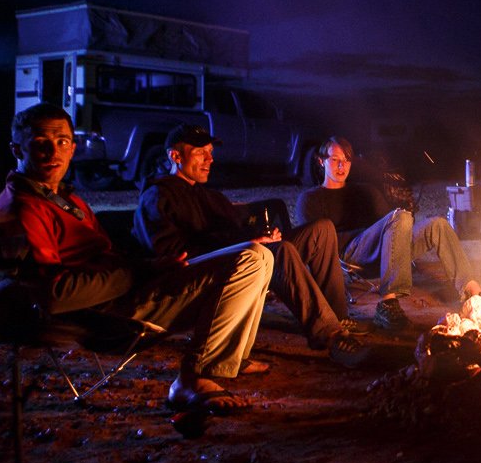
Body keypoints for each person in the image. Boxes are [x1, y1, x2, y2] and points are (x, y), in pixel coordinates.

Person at [0, 103, 273, 413]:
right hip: (106, 315)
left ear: (73, 148)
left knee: (261, 255)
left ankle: (232, 358)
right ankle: (194, 378)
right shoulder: (22, 209)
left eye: (63, 141)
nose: (53, 150)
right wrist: (138, 272)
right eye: (41, 141)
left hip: (125, 291)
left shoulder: (62, 198)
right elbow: (51, 297)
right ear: (17, 148)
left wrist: (148, 268)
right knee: (250, 260)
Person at [133, 124, 370, 367]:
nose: (209, 159)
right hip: (209, 269)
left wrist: (260, 234)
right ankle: (331, 336)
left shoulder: (207, 195)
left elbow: (236, 228)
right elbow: (173, 254)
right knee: (282, 252)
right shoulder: (159, 197)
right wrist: (244, 244)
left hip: (245, 253)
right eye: (200, 153)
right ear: (175, 156)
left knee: (322, 230)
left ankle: (337, 318)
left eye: (211, 152)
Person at [295, 136, 481, 332]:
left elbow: (393, 228)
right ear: (321, 161)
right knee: (398, 216)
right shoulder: (310, 199)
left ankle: (472, 291)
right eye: (334, 160)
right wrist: (376, 229)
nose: (341, 165)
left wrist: (402, 213)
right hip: (349, 252)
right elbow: (315, 242)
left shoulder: (364, 191)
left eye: (346, 160)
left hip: (385, 254)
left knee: (437, 224)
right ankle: (387, 303)